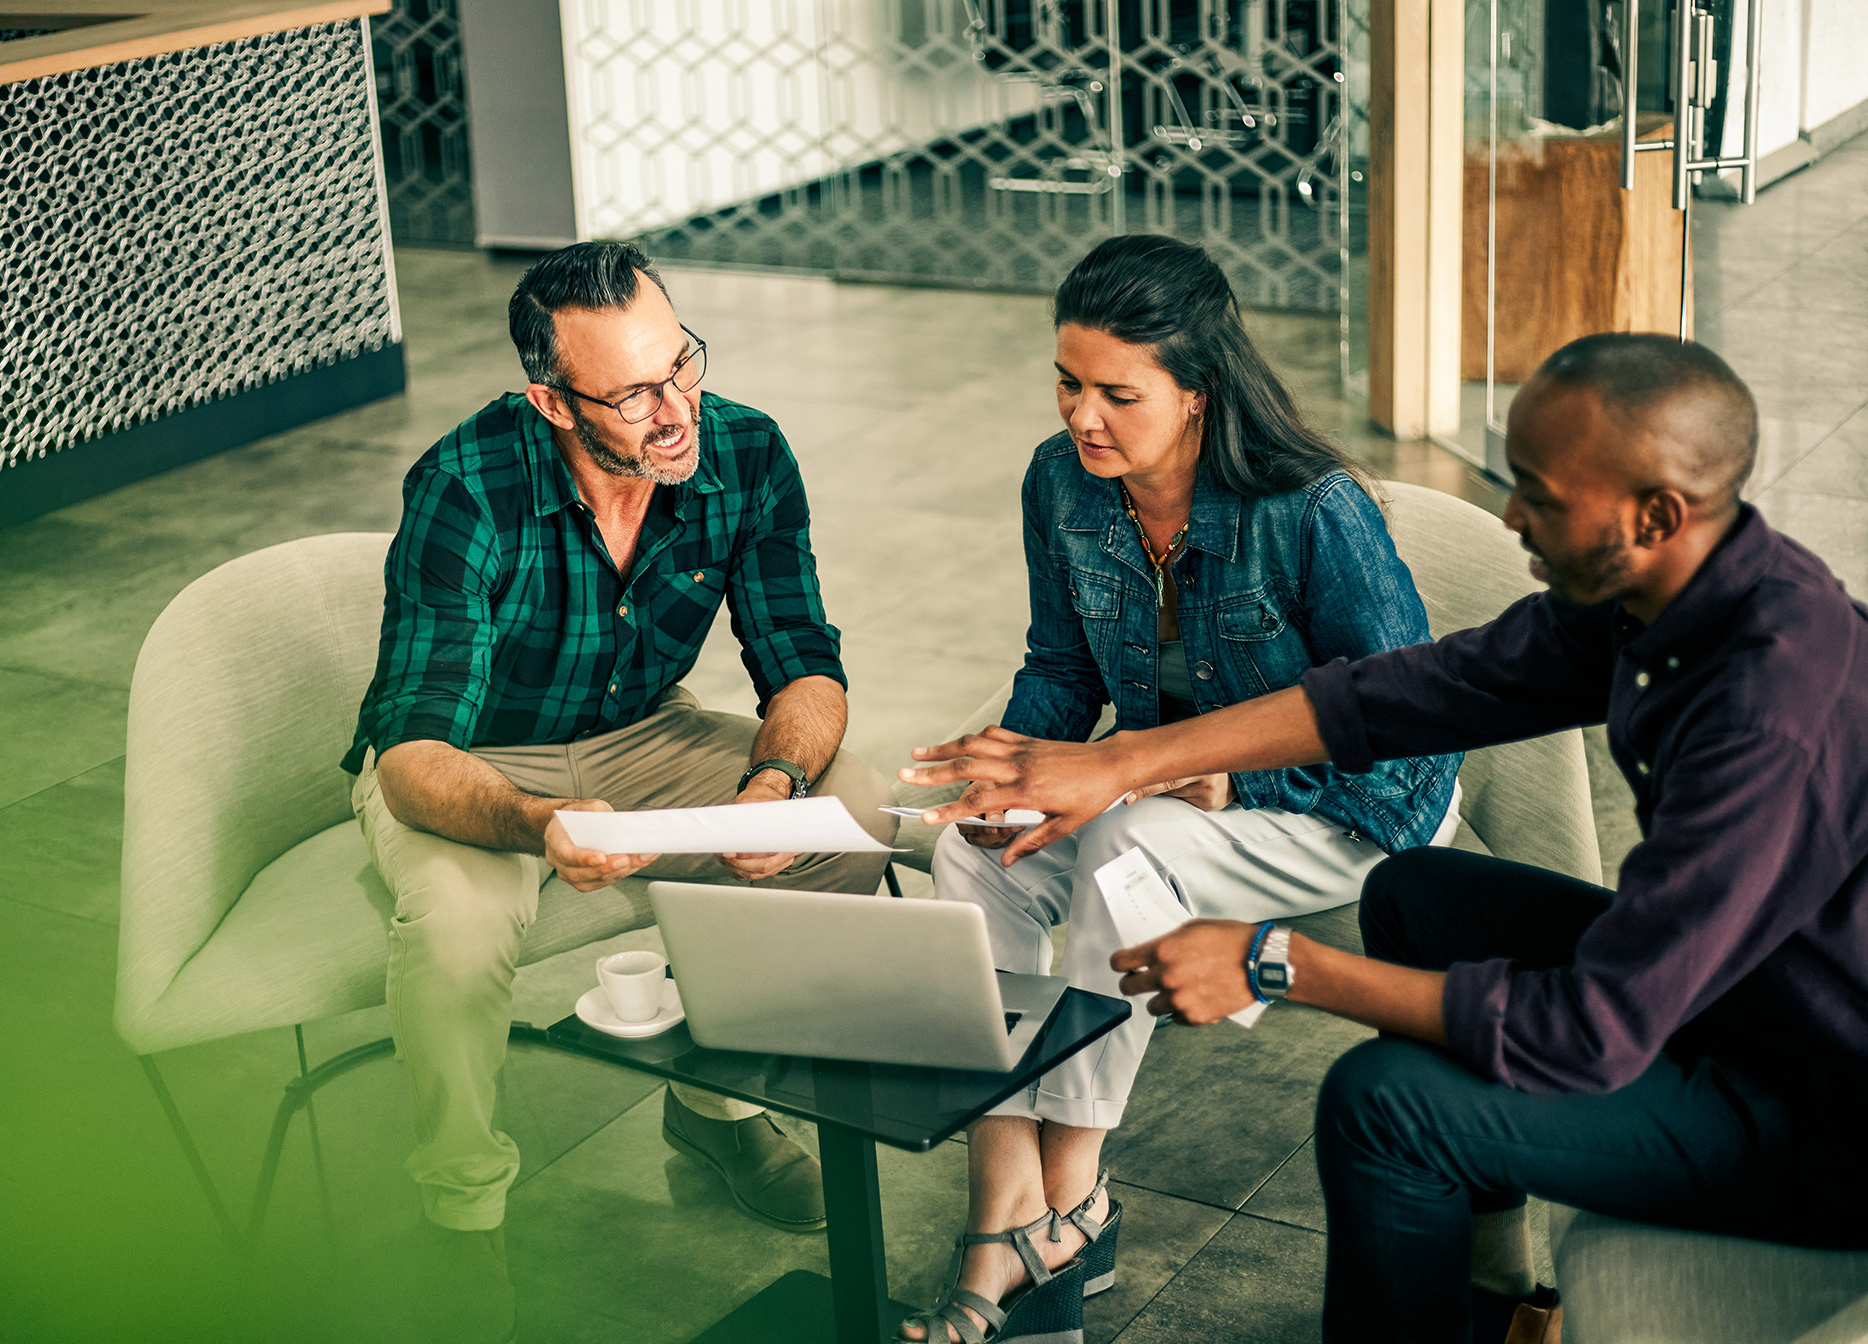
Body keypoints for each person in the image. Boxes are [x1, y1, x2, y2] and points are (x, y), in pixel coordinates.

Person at [902, 332, 1868, 1344]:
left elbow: (1587, 1031)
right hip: (1744, 998)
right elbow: (1415, 693)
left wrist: (1279, 966)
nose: (1510, 514)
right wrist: (1124, 761)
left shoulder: (1766, 714)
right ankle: (1485, 1297)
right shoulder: (1677, 589)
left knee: (1381, 1105)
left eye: (1536, 492)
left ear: (1655, 513)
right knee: (1425, 896)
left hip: (1817, 1108)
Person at [899, 234, 1462, 1344]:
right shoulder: (1060, 484)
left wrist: (1229, 777)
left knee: (1128, 847)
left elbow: (1408, 732)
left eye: (1118, 392)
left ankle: (1069, 1204)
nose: (1081, 416)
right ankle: (1012, 1208)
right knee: (975, 851)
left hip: (1345, 806)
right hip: (1164, 789)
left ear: (1197, 394)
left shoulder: (1312, 508)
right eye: (1067, 382)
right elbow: (1064, 667)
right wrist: (1009, 761)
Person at [344, 241, 896, 1336]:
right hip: (478, 765)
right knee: (457, 926)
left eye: (680, 363)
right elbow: (410, 757)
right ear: (552, 399)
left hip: (645, 734)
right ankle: (462, 1212)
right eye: (636, 392)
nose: (675, 406)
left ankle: (716, 1107)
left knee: (854, 815)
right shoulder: (465, 485)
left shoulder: (743, 448)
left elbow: (805, 665)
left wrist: (772, 781)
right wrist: (541, 823)